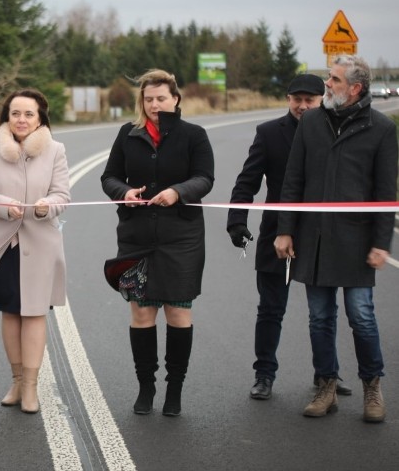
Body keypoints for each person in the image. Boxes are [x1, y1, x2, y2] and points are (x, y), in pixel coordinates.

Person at [275, 54, 397, 423]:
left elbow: (385, 192)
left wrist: (381, 243)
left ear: (355, 88)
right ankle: (326, 385)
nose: (326, 84)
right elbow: (293, 180)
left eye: (334, 80)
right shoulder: (311, 122)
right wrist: (285, 229)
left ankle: (372, 387)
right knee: (319, 318)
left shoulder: (380, 127)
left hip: (357, 242)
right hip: (314, 240)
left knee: (362, 316)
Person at [227, 74, 353, 400]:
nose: (302, 105)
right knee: (271, 309)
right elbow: (247, 182)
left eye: (309, 99)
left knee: (323, 311)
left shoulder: (334, 132)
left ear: (322, 99)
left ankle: (327, 374)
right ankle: (264, 375)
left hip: (320, 234)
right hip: (277, 234)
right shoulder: (269, 134)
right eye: (296, 99)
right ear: (288, 99)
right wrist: (236, 221)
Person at [100, 69, 214, 417]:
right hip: (137, 236)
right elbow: (110, 177)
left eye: (161, 98)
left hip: (181, 237)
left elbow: (205, 178)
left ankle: (174, 389)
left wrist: (178, 191)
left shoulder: (194, 135)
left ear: (175, 99)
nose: (154, 104)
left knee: (178, 312)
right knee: (142, 311)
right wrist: (125, 193)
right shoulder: (128, 133)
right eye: (148, 99)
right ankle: (146, 387)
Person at [0, 89, 71, 415]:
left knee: (34, 313)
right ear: (7, 116)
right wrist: (2, 207)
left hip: (40, 244)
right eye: (15, 113)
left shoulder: (55, 150)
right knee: (10, 312)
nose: (21, 120)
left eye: (28, 114)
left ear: (40, 118)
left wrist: (44, 207)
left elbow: (62, 194)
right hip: (2, 243)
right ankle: (17, 381)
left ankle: (33, 388)